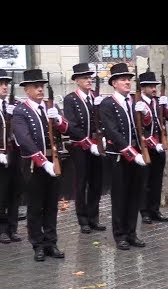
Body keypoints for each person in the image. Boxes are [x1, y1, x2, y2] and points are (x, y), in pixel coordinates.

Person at [12, 69, 69, 261]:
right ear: (27, 90)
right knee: (36, 206)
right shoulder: (21, 110)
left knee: (51, 204)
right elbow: (23, 138)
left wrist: (59, 119)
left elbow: (67, 129)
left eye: (41, 86)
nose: (40, 90)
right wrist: (42, 162)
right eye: (35, 87)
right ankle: (37, 244)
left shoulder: (50, 107)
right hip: (34, 164)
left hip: (54, 161)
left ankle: (51, 242)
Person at [99, 63, 147, 250]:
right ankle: (120, 235)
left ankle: (132, 233)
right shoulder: (108, 104)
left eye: (129, 79)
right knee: (120, 197)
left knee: (135, 195)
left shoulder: (134, 102)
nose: (127, 82)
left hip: (136, 154)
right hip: (119, 157)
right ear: (114, 83)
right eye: (123, 79)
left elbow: (142, 127)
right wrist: (131, 153)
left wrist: (146, 113)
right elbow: (112, 132)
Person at [63, 63, 106, 234]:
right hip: (80, 147)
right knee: (81, 183)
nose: (89, 81)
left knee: (97, 182)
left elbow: (102, 122)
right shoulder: (70, 99)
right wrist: (89, 143)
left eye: (90, 78)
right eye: (85, 78)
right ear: (77, 81)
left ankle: (93, 217)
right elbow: (72, 125)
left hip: (97, 145)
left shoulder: (96, 97)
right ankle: (83, 219)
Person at [136, 71, 168, 224]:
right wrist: (154, 144)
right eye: (150, 86)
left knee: (157, 180)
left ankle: (155, 209)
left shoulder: (158, 101)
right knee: (144, 181)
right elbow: (141, 129)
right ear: (143, 88)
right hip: (145, 147)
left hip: (159, 147)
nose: (154, 89)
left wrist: (167, 105)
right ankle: (144, 211)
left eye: (155, 86)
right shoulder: (138, 103)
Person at [0, 69, 23, 243]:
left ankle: (12, 228)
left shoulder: (14, 104)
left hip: (15, 154)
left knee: (15, 191)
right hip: (0, 157)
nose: (4, 87)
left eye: (6, 84)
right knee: (1, 192)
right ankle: (1, 229)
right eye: (1, 84)